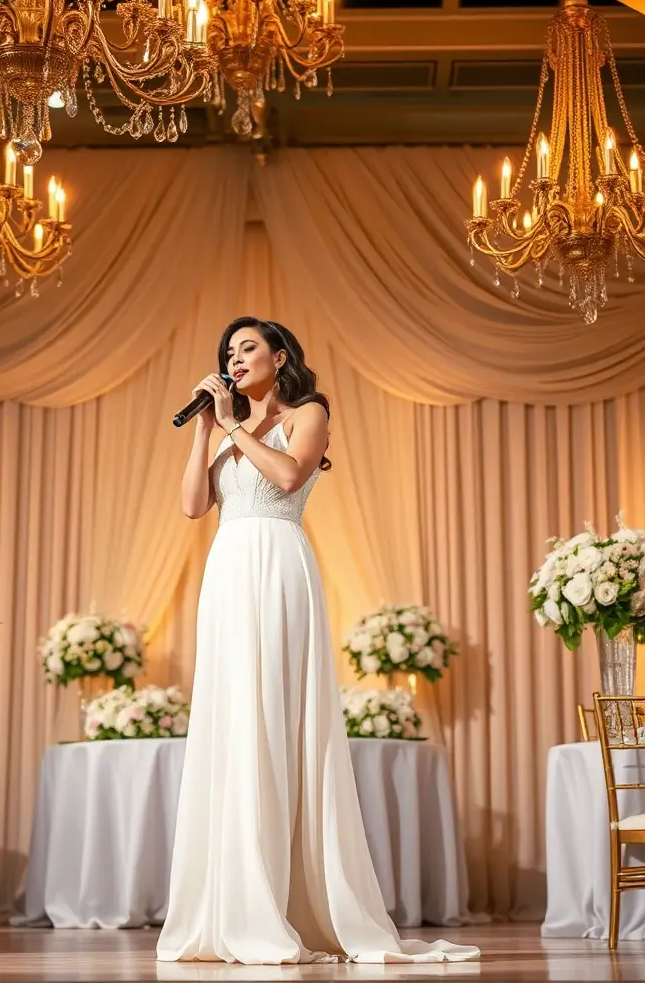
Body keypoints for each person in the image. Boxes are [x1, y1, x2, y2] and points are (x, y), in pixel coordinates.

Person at [156, 317, 479, 966]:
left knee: (279, 722)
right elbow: (194, 506)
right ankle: (230, 904)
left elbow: (286, 477)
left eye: (247, 347)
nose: (235, 357)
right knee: (233, 725)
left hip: (278, 568)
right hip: (227, 574)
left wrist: (237, 428)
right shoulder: (222, 426)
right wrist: (205, 430)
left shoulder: (309, 413)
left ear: (279, 356)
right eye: (228, 351)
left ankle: (289, 903)